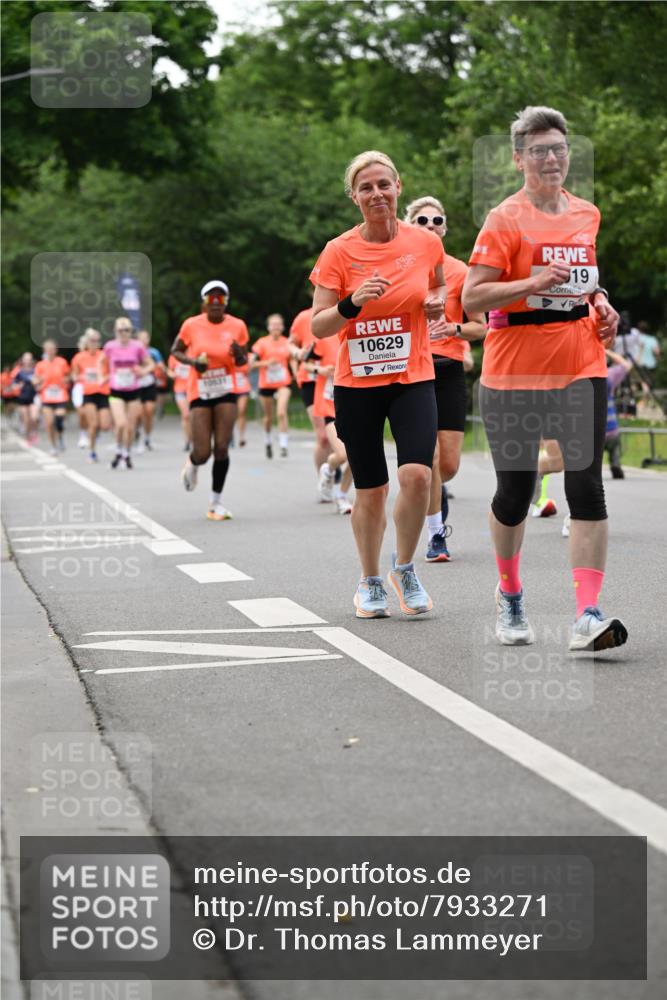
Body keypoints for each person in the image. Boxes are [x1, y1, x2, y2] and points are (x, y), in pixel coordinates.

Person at [463, 105, 627, 652]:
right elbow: (473, 296)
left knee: (586, 485)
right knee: (516, 492)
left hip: (580, 364)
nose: (551, 158)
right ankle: (510, 594)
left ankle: (587, 615)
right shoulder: (504, 219)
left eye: (558, 148)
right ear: (518, 159)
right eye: (539, 151)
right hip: (514, 372)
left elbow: (584, 282)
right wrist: (529, 283)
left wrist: (601, 304)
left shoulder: (586, 213)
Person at [310, 150, 446, 618]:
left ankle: (404, 568)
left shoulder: (424, 243)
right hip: (358, 383)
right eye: (365, 187)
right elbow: (319, 325)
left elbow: (439, 284)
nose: (377, 194)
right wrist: (351, 303)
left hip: (413, 376)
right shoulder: (338, 250)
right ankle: (369, 581)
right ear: (354, 196)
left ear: (398, 187)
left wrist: (435, 303)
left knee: (418, 475)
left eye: (383, 184)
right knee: (372, 489)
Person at [404, 196, 486, 562]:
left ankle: (432, 493)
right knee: (432, 456)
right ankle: (436, 534)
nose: (430, 226)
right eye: (422, 221)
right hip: (413, 370)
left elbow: (481, 327)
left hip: (449, 368)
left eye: (437, 220)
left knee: (448, 464)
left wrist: (453, 328)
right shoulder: (400, 268)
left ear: (445, 227)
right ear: (410, 226)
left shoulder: (460, 272)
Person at [171, 280, 249, 520]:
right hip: (200, 391)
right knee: (203, 452)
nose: (216, 303)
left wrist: (239, 354)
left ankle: (216, 503)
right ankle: (193, 463)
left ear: (226, 302)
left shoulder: (237, 325)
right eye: (211, 299)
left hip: (226, 389)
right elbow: (176, 351)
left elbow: (243, 360)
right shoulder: (191, 325)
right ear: (204, 303)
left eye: (221, 299)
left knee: (222, 448)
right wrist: (194, 362)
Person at [103, 317, 154, 469]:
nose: (123, 333)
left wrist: (143, 371)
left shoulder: (137, 346)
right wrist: (102, 376)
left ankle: (126, 454)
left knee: (130, 427)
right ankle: (118, 449)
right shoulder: (110, 346)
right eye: (120, 330)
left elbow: (151, 364)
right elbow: (101, 362)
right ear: (115, 331)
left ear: (131, 331)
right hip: (116, 390)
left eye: (126, 330)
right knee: (121, 424)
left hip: (134, 390)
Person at [311, 335, 353, 514]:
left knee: (358, 456)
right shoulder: (324, 337)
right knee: (343, 455)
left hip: (357, 405)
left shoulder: (359, 331)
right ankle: (329, 468)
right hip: (331, 406)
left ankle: (341, 496)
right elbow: (305, 365)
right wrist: (320, 370)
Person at [289, 302, 330, 486]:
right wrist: (298, 353)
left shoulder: (346, 309)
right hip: (311, 379)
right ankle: (324, 480)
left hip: (336, 380)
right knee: (323, 436)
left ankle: (333, 464)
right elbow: (290, 343)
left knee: (338, 434)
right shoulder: (304, 317)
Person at [250, 313, 293, 458]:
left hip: (283, 382)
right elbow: (252, 364)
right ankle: (268, 441)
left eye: (278, 324)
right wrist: (267, 363)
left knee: (281, 412)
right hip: (266, 384)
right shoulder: (261, 343)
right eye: (273, 324)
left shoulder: (287, 342)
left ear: (283, 327)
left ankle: (283, 445)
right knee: (268, 417)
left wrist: (296, 371)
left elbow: (292, 359)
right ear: (268, 327)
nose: (276, 327)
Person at [70, 328, 111, 462]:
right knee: (93, 424)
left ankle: (95, 434)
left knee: (105, 426)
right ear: (87, 342)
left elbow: (111, 372)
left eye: (97, 341)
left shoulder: (104, 356)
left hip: (103, 392)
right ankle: (92, 452)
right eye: (92, 340)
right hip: (88, 393)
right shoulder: (79, 357)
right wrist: (80, 377)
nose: (94, 343)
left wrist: (104, 378)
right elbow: (74, 375)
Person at [34, 340, 70, 454]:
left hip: (60, 396)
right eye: (48, 349)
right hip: (46, 397)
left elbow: (68, 376)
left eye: (52, 349)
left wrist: (66, 380)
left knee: (59, 419)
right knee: (49, 423)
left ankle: (60, 437)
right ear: (44, 351)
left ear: (56, 350)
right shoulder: (40, 365)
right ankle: (53, 446)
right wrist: (38, 382)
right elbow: (35, 380)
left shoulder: (62, 362)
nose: (50, 351)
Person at [604, 349, 633, 479]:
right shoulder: (609, 376)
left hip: (593, 432)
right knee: (614, 447)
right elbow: (626, 365)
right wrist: (606, 351)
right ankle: (615, 463)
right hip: (611, 428)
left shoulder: (582, 377)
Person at [135, 329, 164, 452]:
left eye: (145, 338)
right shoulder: (133, 351)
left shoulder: (153, 352)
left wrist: (159, 368)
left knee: (149, 411)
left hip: (149, 384)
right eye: (141, 338)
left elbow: (161, 365)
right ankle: (137, 431)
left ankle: (147, 437)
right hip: (136, 385)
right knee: (139, 413)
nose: (143, 340)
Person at [12, 353, 39, 443]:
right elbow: (13, 385)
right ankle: (28, 436)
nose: (27, 361)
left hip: (34, 397)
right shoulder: (19, 372)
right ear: (23, 360)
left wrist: (37, 382)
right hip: (23, 398)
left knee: (34, 417)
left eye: (29, 359)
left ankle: (34, 432)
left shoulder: (36, 370)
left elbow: (41, 380)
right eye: (26, 359)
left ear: (32, 360)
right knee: (26, 419)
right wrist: (18, 385)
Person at [168, 353, 192, 451]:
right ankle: (187, 441)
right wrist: (172, 374)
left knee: (193, 416)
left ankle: (193, 438)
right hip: (180, 389)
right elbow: (169, 370)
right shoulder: (174, 356)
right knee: (186, 415)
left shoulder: (194, 352)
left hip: (193, 389)